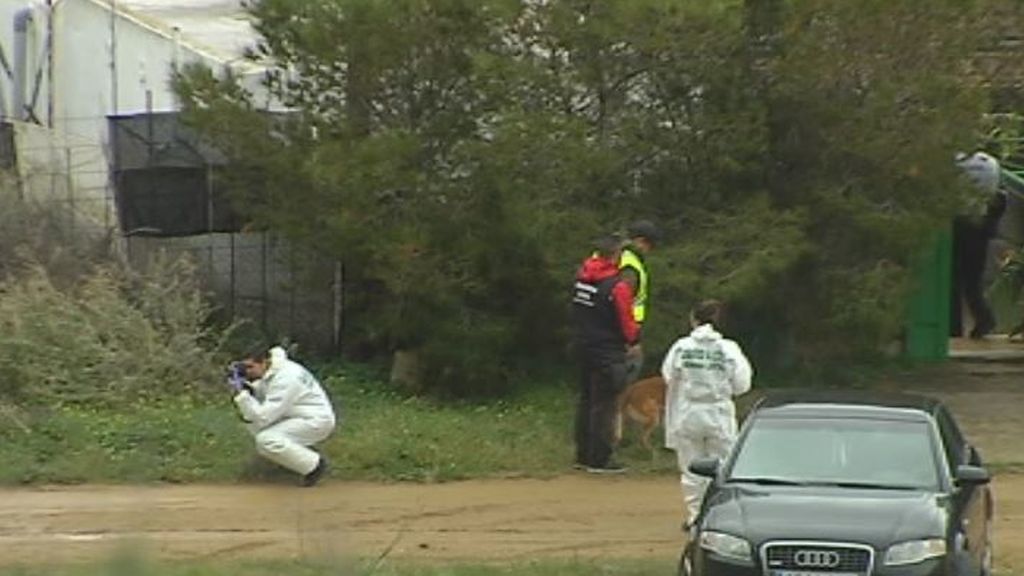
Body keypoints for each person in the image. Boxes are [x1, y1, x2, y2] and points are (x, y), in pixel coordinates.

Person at [661, 300, 752, 528]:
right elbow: (742, 384)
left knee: (691, 468)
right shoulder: (729, 348)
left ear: (694, 319)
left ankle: (695, 517)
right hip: (719, 412)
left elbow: (669, 376)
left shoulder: (682, 346)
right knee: (723, 467)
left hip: (688, 412)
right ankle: (720, 517)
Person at [571, 235, 640, 474]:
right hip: (608, 350)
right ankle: (600, 459)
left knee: (587, 400)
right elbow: (626, 321)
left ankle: (583, 454)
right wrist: (633, 340)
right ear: (616, 255)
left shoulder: (581, 278)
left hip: (583, 345)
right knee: (606, 405)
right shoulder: (617, 287)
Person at [228, 345, 337, 487]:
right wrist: (248, 387)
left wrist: (242, 395)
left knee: (267, 439)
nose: (248, 372)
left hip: (314, 421)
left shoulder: (286, 377)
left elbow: (263, 417)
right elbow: (266, 391)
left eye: (250, 367)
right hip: (296, 416)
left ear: (265, 362)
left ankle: (314, 465)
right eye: (244, 368)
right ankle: (297, 461)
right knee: (258, 432)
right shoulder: (276, 371)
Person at [951, 151, 1007, 339]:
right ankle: (984, 318)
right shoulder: (990, 163)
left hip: (959, 225)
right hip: (980, 228)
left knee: (953, 280)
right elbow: (1000, 198)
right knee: (973, 280)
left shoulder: (956, 163)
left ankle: (954, 328)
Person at [619, 220, 660, 384]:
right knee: (620, 386)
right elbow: (622, 305)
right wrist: (632, 341)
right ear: (641, 241)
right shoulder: (630, 265)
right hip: (621, 337)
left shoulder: (611, 256)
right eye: (650, 246)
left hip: (596, 332)